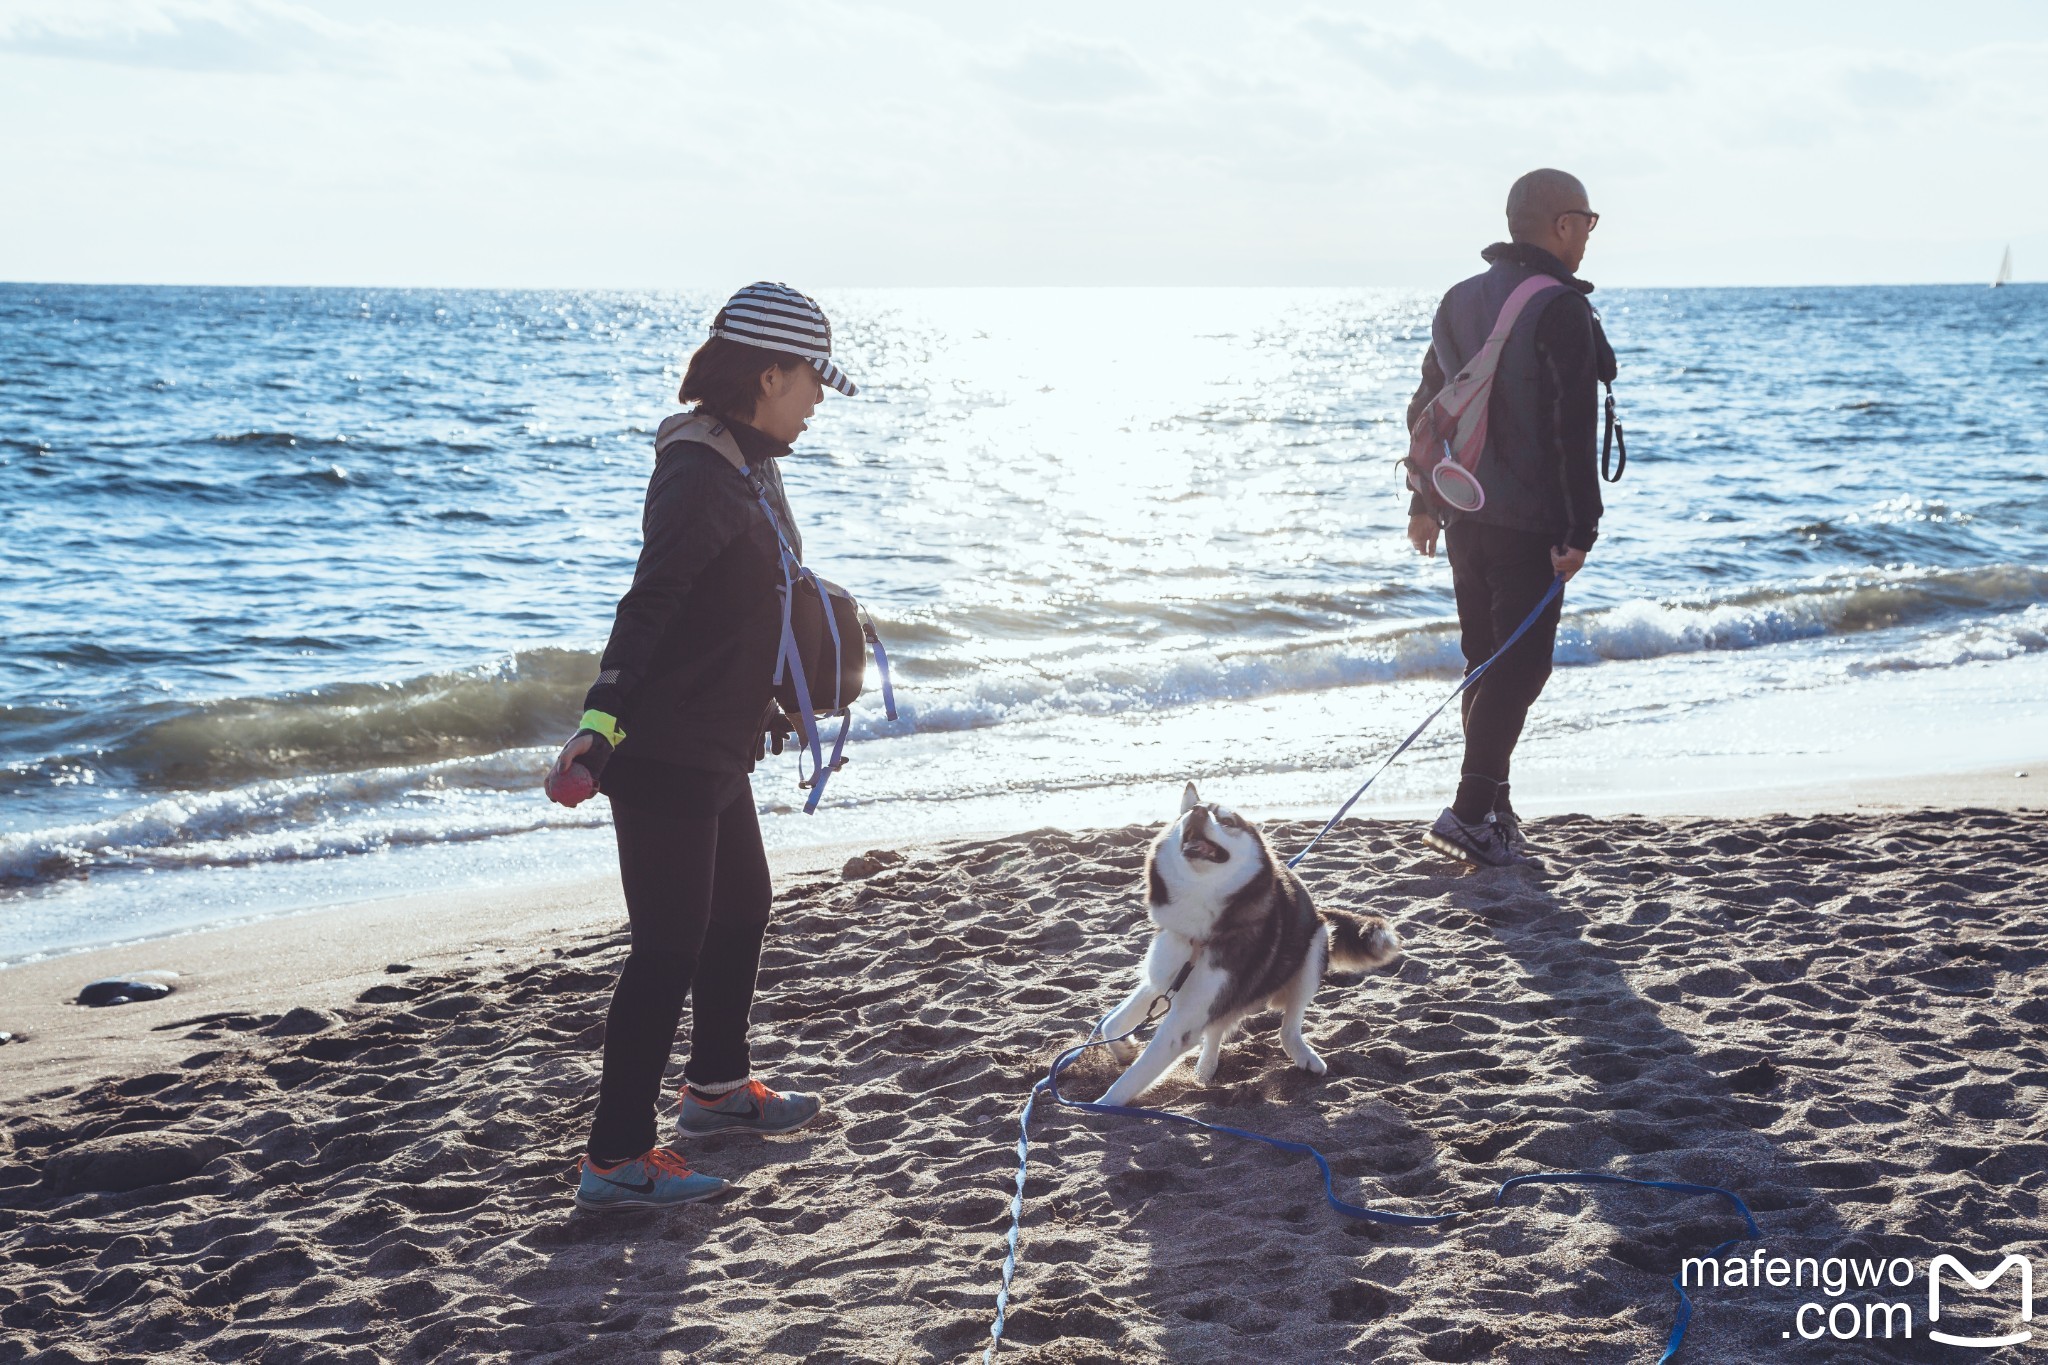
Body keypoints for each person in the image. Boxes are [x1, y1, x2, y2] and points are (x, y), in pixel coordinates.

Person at [544, 281, 857, 1212]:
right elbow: (650, 603)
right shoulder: (698, 474)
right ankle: (616, 1159)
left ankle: (717, 1089)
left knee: (743, 906)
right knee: (669, 946)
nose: (816, 402)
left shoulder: (747, 456)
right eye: (810, 382)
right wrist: (598, 726)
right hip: (667, 750)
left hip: (716, 743)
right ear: (768, 373)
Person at [1405, 169, 1616, 868]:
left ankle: (1493, 807)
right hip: (1529, 519)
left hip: (1466, 511)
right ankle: (1470, 811)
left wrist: (1424, 501)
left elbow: (1429, 404)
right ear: (1560, 225)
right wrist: (1579, 527)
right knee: (1521, 667)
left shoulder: (1460, 298)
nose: (1590, 232)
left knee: (1483, 660)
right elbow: (1570, 426)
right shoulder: (1558, 306)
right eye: (1587, 218)